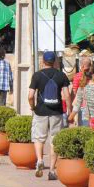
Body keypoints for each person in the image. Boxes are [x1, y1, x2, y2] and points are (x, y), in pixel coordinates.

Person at [27, 51, 71, 180]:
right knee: (54, 140)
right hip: (56, 112)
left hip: (40, 111)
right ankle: (52, 170)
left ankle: (40, 160)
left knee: (39, 138)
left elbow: (30, 95)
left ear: (43, 61)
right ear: (55, 62)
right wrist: (69, 110)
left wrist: (33, 106)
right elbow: (67, 95)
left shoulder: (37, 75)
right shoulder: (61, 76)